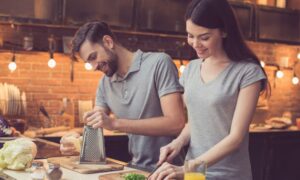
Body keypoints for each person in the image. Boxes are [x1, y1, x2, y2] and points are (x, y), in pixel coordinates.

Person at [149, 0, 269, 179]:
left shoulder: (248, 72)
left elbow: (235, 138)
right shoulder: (191, 69)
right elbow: (196, 121)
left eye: (204, 37)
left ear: (225, 31)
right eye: (190, 35)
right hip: (195, 174)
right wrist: (178, 142)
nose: (195, 43)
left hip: (228, 174)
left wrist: (186, 169)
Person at [59, 21, 186, 171]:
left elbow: (176, 123)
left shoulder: (158, 63)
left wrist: (114, 124)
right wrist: (76, 138)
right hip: (135, 169)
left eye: (94, 57)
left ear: (108, 42)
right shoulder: (104, 84)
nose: (94, 67)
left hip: (170, 171)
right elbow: (95, 124)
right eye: (89, 62)